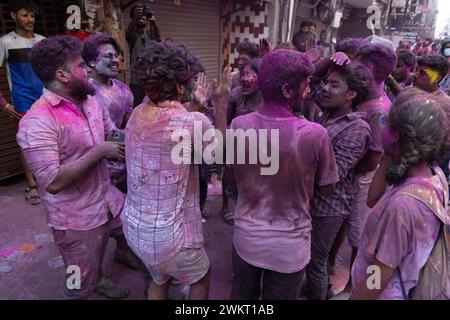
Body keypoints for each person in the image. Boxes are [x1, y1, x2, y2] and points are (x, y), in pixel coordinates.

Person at [17, 36, 136, 299]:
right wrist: (99, 152)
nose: (89, 69)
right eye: (82, 65)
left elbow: (112, 134)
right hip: (76, 219)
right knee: (77, 284)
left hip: (108, 200)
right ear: (62, 74)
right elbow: (53, 182)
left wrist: (147, 131)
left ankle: (101, 275)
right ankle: (87, 284)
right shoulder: (37, 122)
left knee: (137, 228)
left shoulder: (91, 102)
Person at [121, 38, 229, 300]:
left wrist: (195, 103)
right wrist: (221, 103)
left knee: (160, 278)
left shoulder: (137, 113)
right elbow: (222, 154)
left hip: (135, 228)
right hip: (170, 236)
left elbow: (169, 124)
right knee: (201, 277)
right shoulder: (193, 122)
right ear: (180, 86)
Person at [230, 49, 338, 300]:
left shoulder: (239, 126)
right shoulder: (315, 134)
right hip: (289, 247)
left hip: (246, 239)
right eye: (306, 85)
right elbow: (326, 188)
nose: (309, 91)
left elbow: (233, 177)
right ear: (288, 91)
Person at [350, 89, 450, 300]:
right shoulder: (434, 174)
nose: (382, 125)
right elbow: (373, 199)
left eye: (386, 122)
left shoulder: (402, 205)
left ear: (397, 135)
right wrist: (391, 152)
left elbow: (380, 273)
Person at [327, 42, 397, 291]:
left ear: (368, 68)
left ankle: (350, 288)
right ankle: (331, 266)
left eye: (356, 62)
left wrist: (347, 172)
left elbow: (374, 156)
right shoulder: (365, 98)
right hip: (351, 176)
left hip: (363, 179)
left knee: (358, 233)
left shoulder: (378, 109)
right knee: (343, 226)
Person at [306, 63, 372, 300]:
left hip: (329, 207)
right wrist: (330, 62)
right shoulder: (328, 114)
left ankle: (320, 294)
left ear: (351, 95)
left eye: (334, 85)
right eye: (327, 82)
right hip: (312, 201)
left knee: (316, 262)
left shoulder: (356, 128)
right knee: (312, 260)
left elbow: (336, 172)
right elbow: (309, 79)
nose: (325, 88)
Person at [0, 0, 45, 205]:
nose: (30, 20)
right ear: (14, 16)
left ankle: (49, 180)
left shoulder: (43, 42)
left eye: (32, 16)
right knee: (26, 144)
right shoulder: (6, 42)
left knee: (50, 140)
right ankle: (32, 185)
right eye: (25, 15)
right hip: (23, 102)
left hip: (46, 100)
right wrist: (4, 104)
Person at [82, 33, 134, 191]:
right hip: (94, 167)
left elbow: (129, 126)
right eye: (108, 56)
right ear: (91, 61)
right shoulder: (84, 92)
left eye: (117, 56)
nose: (116, 60)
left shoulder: (123, 90)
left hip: (123, 165)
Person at [221, 58, 264, 225]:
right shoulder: (236, 94)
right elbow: (226, 121)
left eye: (250, 76)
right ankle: (226, 206)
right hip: (235, 143)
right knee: (230, 173)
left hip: (260, 147)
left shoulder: (268, 98)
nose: (244, 80)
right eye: (242, 76)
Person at [126, 3, 161, 107]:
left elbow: (159, 39)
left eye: (143, 13)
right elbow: (128, 34)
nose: (141, 16)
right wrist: (135, 19)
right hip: (137, 83)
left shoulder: (151, 33)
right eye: (137, 13)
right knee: (138, 110)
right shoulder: (133, 34)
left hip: (153, 81)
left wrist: (154, 22)